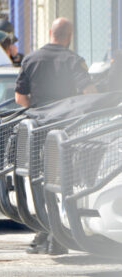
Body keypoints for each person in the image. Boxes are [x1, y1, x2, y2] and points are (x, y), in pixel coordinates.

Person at [15, 17, 97, 255]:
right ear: (69, 36)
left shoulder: (31, 59)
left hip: (39, 129)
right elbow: (88, 94)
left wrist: (40, 111)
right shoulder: (74, 61)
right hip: (67, 132)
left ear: (50, 32)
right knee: (62, 183)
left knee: (39, 180)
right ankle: (57, 236)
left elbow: (21, 99)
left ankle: (43, 233)